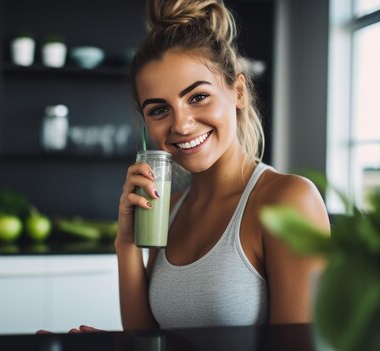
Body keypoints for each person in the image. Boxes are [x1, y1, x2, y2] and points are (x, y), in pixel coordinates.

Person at [67, 0, 330, 332]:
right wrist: (127, 244)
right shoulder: (169, 210)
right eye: (159, 110)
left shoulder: (289, 200)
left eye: (197, 97)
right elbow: (149, 341)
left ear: (238, 92)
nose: (181, 125)